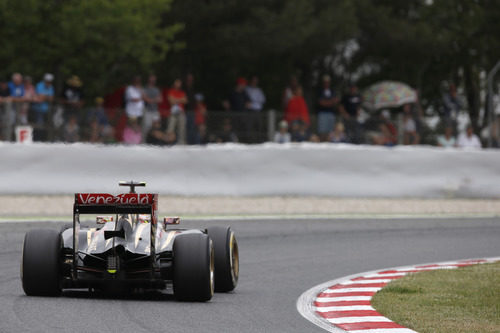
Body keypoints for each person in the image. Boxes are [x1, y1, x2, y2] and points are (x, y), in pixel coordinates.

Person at [33, 73, 55, 140]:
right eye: (47, 81)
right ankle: (37, 139)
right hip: (38, 109)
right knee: (39, 125)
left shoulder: (51, 87)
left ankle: (45, 139)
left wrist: (43, 97)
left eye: (50, 81)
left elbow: (51, 98)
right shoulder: (39, 85)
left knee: (47, 125)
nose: (48, 83)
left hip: (47, 110)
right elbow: (39, 97)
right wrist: (47, 97)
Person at [316, 74, 338, 141]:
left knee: (330, 132)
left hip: (331, 113)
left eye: (328, 82)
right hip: (322, 113)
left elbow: (336, 100)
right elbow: (321, 102)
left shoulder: (332, 91)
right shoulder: (320, 90)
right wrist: (330, 102)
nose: (327, 83)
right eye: (325, 82)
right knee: (322, 132)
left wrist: (327, 102)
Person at [245, 76, 266, 142]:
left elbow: (263, 100)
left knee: (259, 125)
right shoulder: (247, 89)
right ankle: (249, 140)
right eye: (253, 81)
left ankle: (259, 140)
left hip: (258, 111)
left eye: (256, 81)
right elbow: (247, 99)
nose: (255, 82)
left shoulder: (259, 90)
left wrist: (254, 100)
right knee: (249, 126)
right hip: (250, 110)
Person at [166, 78, 187, 144]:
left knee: (182, 128)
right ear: (174, 83)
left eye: (179, 83)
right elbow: (171, 101)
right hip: (173, 113)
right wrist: (180, 100)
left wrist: (175, 100)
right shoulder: (171, 91)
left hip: (181, 112)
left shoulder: (182, 92)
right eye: (177, 82)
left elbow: (185, 100)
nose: (178, 84)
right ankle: (168, 142)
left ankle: (181, 142)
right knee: (170, 127)